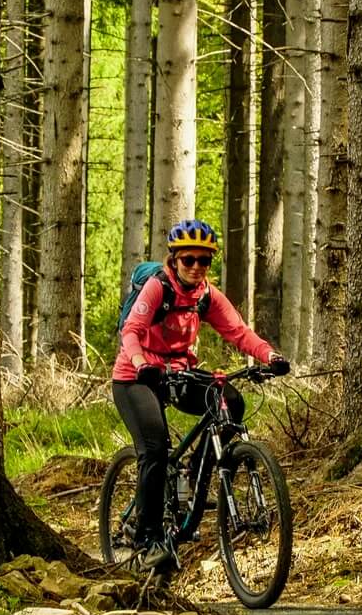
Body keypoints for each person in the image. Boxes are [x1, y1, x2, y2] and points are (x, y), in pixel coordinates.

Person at [112, 219, 290, 573]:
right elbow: (131, 330)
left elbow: (238, 332)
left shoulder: (206, 294)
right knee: (155, 450)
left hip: (178, 373)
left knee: (232, 402)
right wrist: (139, 361)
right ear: (175, 259)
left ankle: (197, 471)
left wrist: (270, 356)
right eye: (189, 259)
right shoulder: (157, 288)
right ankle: (145, 540)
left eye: (204, 261)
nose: (196, 267)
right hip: (136, 377)